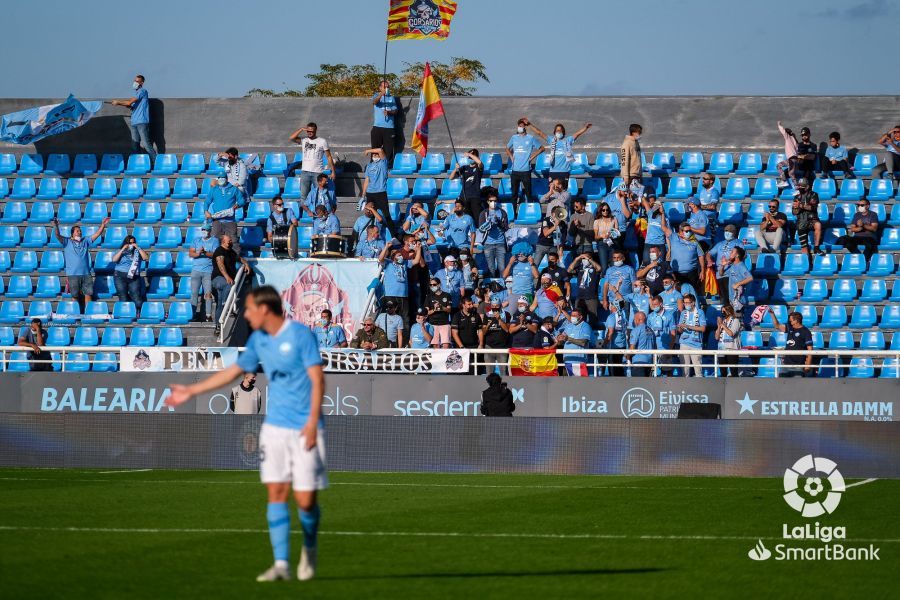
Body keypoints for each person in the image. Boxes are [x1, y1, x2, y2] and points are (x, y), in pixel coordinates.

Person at [166, 286, 326, 582]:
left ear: (264, 309)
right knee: (276, 493)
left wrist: (313, 421)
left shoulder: (301, 336)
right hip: (275, 428)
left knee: (305, 501)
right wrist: (191, 389)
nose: (246, 314)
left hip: (305, 426)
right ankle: (281, 564)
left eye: (250, 308)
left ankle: (310, 547)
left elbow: (317, 379)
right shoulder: (258, 340)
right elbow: (234, 372)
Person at [53, 217, 109, 310]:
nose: (79, 232)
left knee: (88, 295)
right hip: (73, 275)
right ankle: (75, 314)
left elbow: (97, 234)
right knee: (75, 297)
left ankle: (88, 314)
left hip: (86, 274)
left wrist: (103, 224)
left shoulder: (85, 241)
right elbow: (58, 235)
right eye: (77, 231)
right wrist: (56, 225)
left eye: (80, 231)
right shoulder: (67, 242)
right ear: (72, 234)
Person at [212, 234, 251, 335]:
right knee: (229, 284)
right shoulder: (219, 250)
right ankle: (227, 305)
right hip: (218, 278)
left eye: (231, 241)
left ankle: (217, 326)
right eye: (228, 241)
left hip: (224, 280)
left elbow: (239, 258)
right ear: (223, 242)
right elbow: (220, 264)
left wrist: (246, 263)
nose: (230, 242)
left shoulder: (231, 251)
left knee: (219, 305)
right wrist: (227, 277)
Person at [528, 121, 592, 182]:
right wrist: (529, 124)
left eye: (560, 130)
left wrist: (585, 127)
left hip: (565, 171)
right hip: (553, 171)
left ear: (563, 132)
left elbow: (577, 134)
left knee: (563, 192)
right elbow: (540, 133)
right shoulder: (551, 140)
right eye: (557, 130)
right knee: (553, 192)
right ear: (554, 132)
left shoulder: (568, 140)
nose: (558, 132)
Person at [110, 74, 155, 161]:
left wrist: (118, 102)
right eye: (135, 81)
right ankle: (137, 163)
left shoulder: (143, 91)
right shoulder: (136, 94)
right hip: (134, 122)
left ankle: (156, 162)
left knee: (146, 144)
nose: (135, 83)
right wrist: (126, 104)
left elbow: (128, 103)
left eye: (137, 81)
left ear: (142, 83)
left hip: (142, 122)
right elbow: (130, 104)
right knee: (135, 145)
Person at [286, 123, 336, 200]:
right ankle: (306, 212)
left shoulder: (322, 141)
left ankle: (319, 211)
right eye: (308, 131)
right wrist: (301, 129)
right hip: (305, 172)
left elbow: (329, 156)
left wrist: (333, 171)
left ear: (315, 131)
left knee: (320, 195)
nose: (309, 133)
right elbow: (291, 138)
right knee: (304, 196)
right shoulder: (304, 140)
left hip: (317, 172)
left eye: (311, 131)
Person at [359, 147, 399, 240]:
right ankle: (371, 234)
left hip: (380, 192)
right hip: (370, 193)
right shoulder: (369, 166)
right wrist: (363, 194)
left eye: (376, 155)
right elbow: (367, 180)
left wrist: (368, 151)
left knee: (386, 214)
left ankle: (394, 236)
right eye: (373, 155)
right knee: (370, 213)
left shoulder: (383, 163)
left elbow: (381, 150)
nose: (375, 156)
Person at [506, 117, 544, 207]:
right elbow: (507, 148)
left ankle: (529, 211)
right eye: (518, 126)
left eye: (521, 126)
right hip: (515, 171)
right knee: (514, 194)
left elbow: (542, 148)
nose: (519, 128)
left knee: (528, 194)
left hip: (526, 171)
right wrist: (511, 157)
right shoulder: (514, 137)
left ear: (525, 127)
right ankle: (514, 214)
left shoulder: (530, 138)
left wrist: (532, 157)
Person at [664, 221, 706, 298]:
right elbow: (664, 228)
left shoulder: (695, 242)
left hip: (692, 273)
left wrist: (702, 270)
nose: (689, 232)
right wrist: (663, 214)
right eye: (687, 231)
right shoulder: (674, 238)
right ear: (680, 232)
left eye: (690, 230)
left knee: (692, 295)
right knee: (679, 295)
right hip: (677, 274)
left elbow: (701, 256)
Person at [205, 171, 243, 253]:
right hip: (217, 222)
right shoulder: (213, 190)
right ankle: (216, 262)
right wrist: (206, 211)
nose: (221, 179)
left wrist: (237, 205)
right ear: (217, 179)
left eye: (223, 178)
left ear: (226, 179)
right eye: (219, 178)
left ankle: (236, 262)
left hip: (230, 221)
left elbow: (242, 201)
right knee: (215, 242)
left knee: (234, 242)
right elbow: (207, 201)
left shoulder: (234, 189)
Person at [188, 223, 218, 322]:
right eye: (202, 229)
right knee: (194, 293)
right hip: (196, 270)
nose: (204, 231)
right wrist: (198, 253)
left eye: (206, 230)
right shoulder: (196, 240)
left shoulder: (214, 241)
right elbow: (191, 253)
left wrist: (205, 253)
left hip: (208, 271)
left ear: (210, 231)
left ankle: (208, 315)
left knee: (208, 293)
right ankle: (192, 315)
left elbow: (215, 255)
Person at [771, 310, 814, 377]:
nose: (789, 322)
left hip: (798, 365)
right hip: (786, 364)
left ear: (796, 321)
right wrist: (772, 314)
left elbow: (810, 350)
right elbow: (777, 326)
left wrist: (807, 365)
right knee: (781, 385)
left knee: (797, 386)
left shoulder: (806, 332)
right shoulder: (790, 328)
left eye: (790, 321)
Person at [478, 191, 509, 278]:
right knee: (491, 268)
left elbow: (506, 228)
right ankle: (492, 286)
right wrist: (489, 224)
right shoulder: (483, 213)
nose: (493, 203)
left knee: (502, 267)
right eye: (491, 201)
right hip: (488, 243)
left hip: (500, 243)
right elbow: (481, 229)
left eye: (495, 201)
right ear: (488, 201)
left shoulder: (502, 212)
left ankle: (502, 285)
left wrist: (498, 222)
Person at [111, 234, 148, 309]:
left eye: (133, 243)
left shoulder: (137, 252)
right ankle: (124, 313)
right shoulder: (120, 251)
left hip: (134, 276)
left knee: (136, 296)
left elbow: (145, 257)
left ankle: (138, 312)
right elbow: (114, 260)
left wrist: (137, 247)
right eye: (129, 243)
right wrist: (122, 249)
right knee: (122, 297)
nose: (131, 245)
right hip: (120, 276)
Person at [675, 293, 705, 377]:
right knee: (685, 371)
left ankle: (700, 389)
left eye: (688, 303)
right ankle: (685, 389)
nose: (686, 305)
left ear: (693, 303)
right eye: (684, 303)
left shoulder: (700, 312)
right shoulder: (683, 313)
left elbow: (703, 329)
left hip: (696, 344)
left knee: (698, 371)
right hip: (684, 343)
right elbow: (680, 330)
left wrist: (688, 326)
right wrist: (680, 328)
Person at [792, 178, 824, 257]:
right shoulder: (796, 197)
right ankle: (807, 264)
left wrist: (800, 205)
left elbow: (812, 207)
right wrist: (797, 208)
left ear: (807, 187)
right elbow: (794, 212)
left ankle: (816, 247)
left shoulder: (813, 194)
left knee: (818, 225)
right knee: (804, 248)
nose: (800, 187)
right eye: (799, 186)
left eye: (802, 186)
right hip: (801, 222)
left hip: (812, 219)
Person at [568, 253, 602, 326]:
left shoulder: (594, 268)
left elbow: (599, 268)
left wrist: (589, 259)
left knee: (593, 319)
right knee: (578, 318)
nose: (585, 259)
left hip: (591, 297)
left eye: (587, 258)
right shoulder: (580, 268)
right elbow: (569, 270)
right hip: (580, 297)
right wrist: (577, 259)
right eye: (583, 258)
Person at [534, 196, 567, 270]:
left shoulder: (563, 224)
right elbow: (546, 233)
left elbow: (562, 240)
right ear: (552, 214)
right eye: (557, 213)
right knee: (535, 264)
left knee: (553, 265)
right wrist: (555, 226)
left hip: (553, 246)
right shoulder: (546, 220)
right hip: (542, 245)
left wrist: (560, 252)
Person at [449, 150, 484, 218]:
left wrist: (469, 154)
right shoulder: (464, 167)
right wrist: (455, 169)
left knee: (477, 217)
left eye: (472, 156)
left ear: (476, 157)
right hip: (464, 196)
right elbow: (451, 177)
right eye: (469, 157)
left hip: (475, 196)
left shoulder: (478, 168)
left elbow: (479, 162)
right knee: (466, 217)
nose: (470, 158)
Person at [647, 295, 676, 375]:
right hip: (653, 348)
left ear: (661, 304)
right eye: (653, 305)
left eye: (656, 304)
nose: (654, 307)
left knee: (667, 372)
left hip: (665, 348)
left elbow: (673, 333)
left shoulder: (669, 316)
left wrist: (670, 350)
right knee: (653, 372)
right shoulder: (650, 316)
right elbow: (648, 333)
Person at [371, 80, 399, 163]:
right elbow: (374, 102)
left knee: (389, 149)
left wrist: (389, 112)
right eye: (384, 87)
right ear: (380, 88)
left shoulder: (391, 97)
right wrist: (381, 94)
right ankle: (374, 166)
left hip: (389, 128)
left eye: (387, 87)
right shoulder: (376, 95)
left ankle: (388, 167)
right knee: (375, 148)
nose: (386, 88)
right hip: (377, 127)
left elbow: (396, 110)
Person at [718, 246, 753, 311]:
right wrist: (722, 266)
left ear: (737, 255)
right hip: (732, 299)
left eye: (732, 252)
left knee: (739, 318)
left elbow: (750, 278)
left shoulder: (741, 266)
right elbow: (721, 274)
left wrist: (738, 284)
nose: (730, 253)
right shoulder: (732, 265)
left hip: (739, 300)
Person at [592, 201, 620, 275]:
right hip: (602, 244)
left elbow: (617, 232)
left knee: (613, 265)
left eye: (607, 210)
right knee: (604, 267)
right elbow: (595, 237)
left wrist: (612, 234)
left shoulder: (614, 219)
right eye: (603, 210)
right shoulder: (597, 221)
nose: (605, 211)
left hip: (612, 243)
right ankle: (605, 282)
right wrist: (601, 236)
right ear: (600, 210)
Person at [425, 277, 453, 348]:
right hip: (433, 324)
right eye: (430, 285)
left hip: (444, 323)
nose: (432, 286)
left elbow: (449, 310)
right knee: (435, 345)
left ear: (439, 285)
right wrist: (434, 309)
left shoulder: (447, 295)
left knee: (446, 345)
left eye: (434, 284)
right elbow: (426, 313)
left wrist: (442, 307)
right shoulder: (429, 296)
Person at [715, 305, 742, 377]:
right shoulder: (722, 321)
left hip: (732, 348)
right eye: (722, 311)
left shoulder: (736, 320)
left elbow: (731, 333)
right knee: (723, 372)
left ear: (729, 311)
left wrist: (723, 326)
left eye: (724, 311)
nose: (722, 313)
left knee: (733, 372)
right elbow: (716, 337)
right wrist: (718, 326)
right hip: (721, 348)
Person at [602, 299, 628, 376]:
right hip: (622, 345)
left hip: (613, 347)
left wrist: (604, 344)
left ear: (614, 306)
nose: (610, 306)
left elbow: (610, 333)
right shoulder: (623, 315)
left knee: (614, 372)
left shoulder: (611, 317)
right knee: (620, 370)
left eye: (611, 304)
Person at [641, 193, 667, 264]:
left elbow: (666, 233)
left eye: (657, 206)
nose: (654, 207)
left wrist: (662, 213)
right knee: (646, 262)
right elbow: (644, 201)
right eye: (654, 205)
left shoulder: (665, 218)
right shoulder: (650, 214)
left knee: (660, 263)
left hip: (660, 243)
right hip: (649, 242)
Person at [628, 311, 655, 376]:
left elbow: (632, 348)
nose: (634, 321)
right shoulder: (651, 330)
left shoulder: (636, 330)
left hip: (638, 362)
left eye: (634, 319)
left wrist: (626, 356)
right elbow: (654, 346)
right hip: (649, 362)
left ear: (638, 320)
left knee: (637, 385)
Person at [695, 173, 720, 238]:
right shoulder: (702, 191)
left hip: (710, 220)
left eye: (705, 179)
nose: (703, 180)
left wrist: (699, 206)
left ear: (711, 181)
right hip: (701, 219)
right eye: (703, 178)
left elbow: (712, 206)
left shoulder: (714, 192)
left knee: (710, 240)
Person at [776, 121, 800, 188]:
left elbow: (783, 131)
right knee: (791, 174)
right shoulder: (794, 140)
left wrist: (779, 125)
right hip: (794, 159)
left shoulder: (788, 138)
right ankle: (797, 188)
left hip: (791, 159)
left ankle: (784, 181)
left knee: (779, 166)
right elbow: (797, 150)